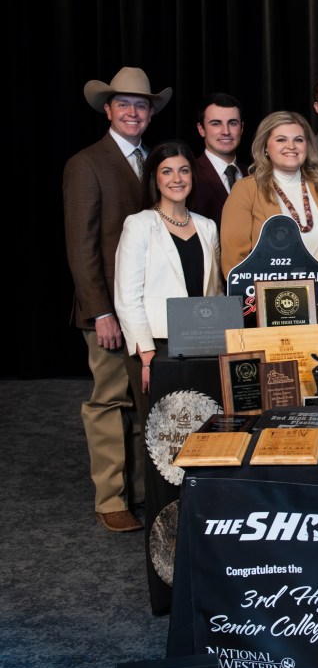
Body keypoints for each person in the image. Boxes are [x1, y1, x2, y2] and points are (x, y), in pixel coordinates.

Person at [63, 66, 172, 532]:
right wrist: (101, 311)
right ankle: (111, 498)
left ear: (150, 114)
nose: (133, 111)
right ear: (108, 110)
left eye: (141, 105)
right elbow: (80, 245)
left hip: (148, 306)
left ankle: (142, 489)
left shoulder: (153, 161)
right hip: (109, 309)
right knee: (108, 401)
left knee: (143, 398)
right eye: (123, 104)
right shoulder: (87, 164)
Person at [114, 142, 222, 438]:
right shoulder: (139, 225)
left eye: (184, 170)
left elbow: (214, 292)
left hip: (202, 345)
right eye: (167, 171)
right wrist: (146, 353)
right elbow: (127, 296)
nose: (177, 178)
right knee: (161, 437)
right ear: (155, 178)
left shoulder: (207, 226)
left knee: (202, 431)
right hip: (157, 347)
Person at [221, 111, 318, 284]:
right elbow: (234, 264)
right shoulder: (246, 190)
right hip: (269, 305)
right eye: (281, 139)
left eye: (299, 140)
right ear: (265, 147)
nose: (291, 146)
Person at [191, 92, 247, 228]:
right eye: (216, 124)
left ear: (241, 128)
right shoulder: (189, 175)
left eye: (232, 123)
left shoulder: (254, 174)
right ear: (201, 129)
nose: (225, 131)